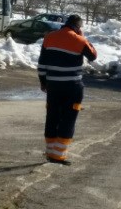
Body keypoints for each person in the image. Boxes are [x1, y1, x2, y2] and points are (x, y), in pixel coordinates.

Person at [37, 14, 97, 165]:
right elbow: (93, 56)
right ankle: (58, 155)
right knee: (68, 119)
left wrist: (44, 82)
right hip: (72, 86)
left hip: (53, 85)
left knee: (52, 116)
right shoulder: (79, 40)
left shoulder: (49, 37)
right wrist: (83, 37)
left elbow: (42, 64)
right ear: (77, 27)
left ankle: (50, 152)